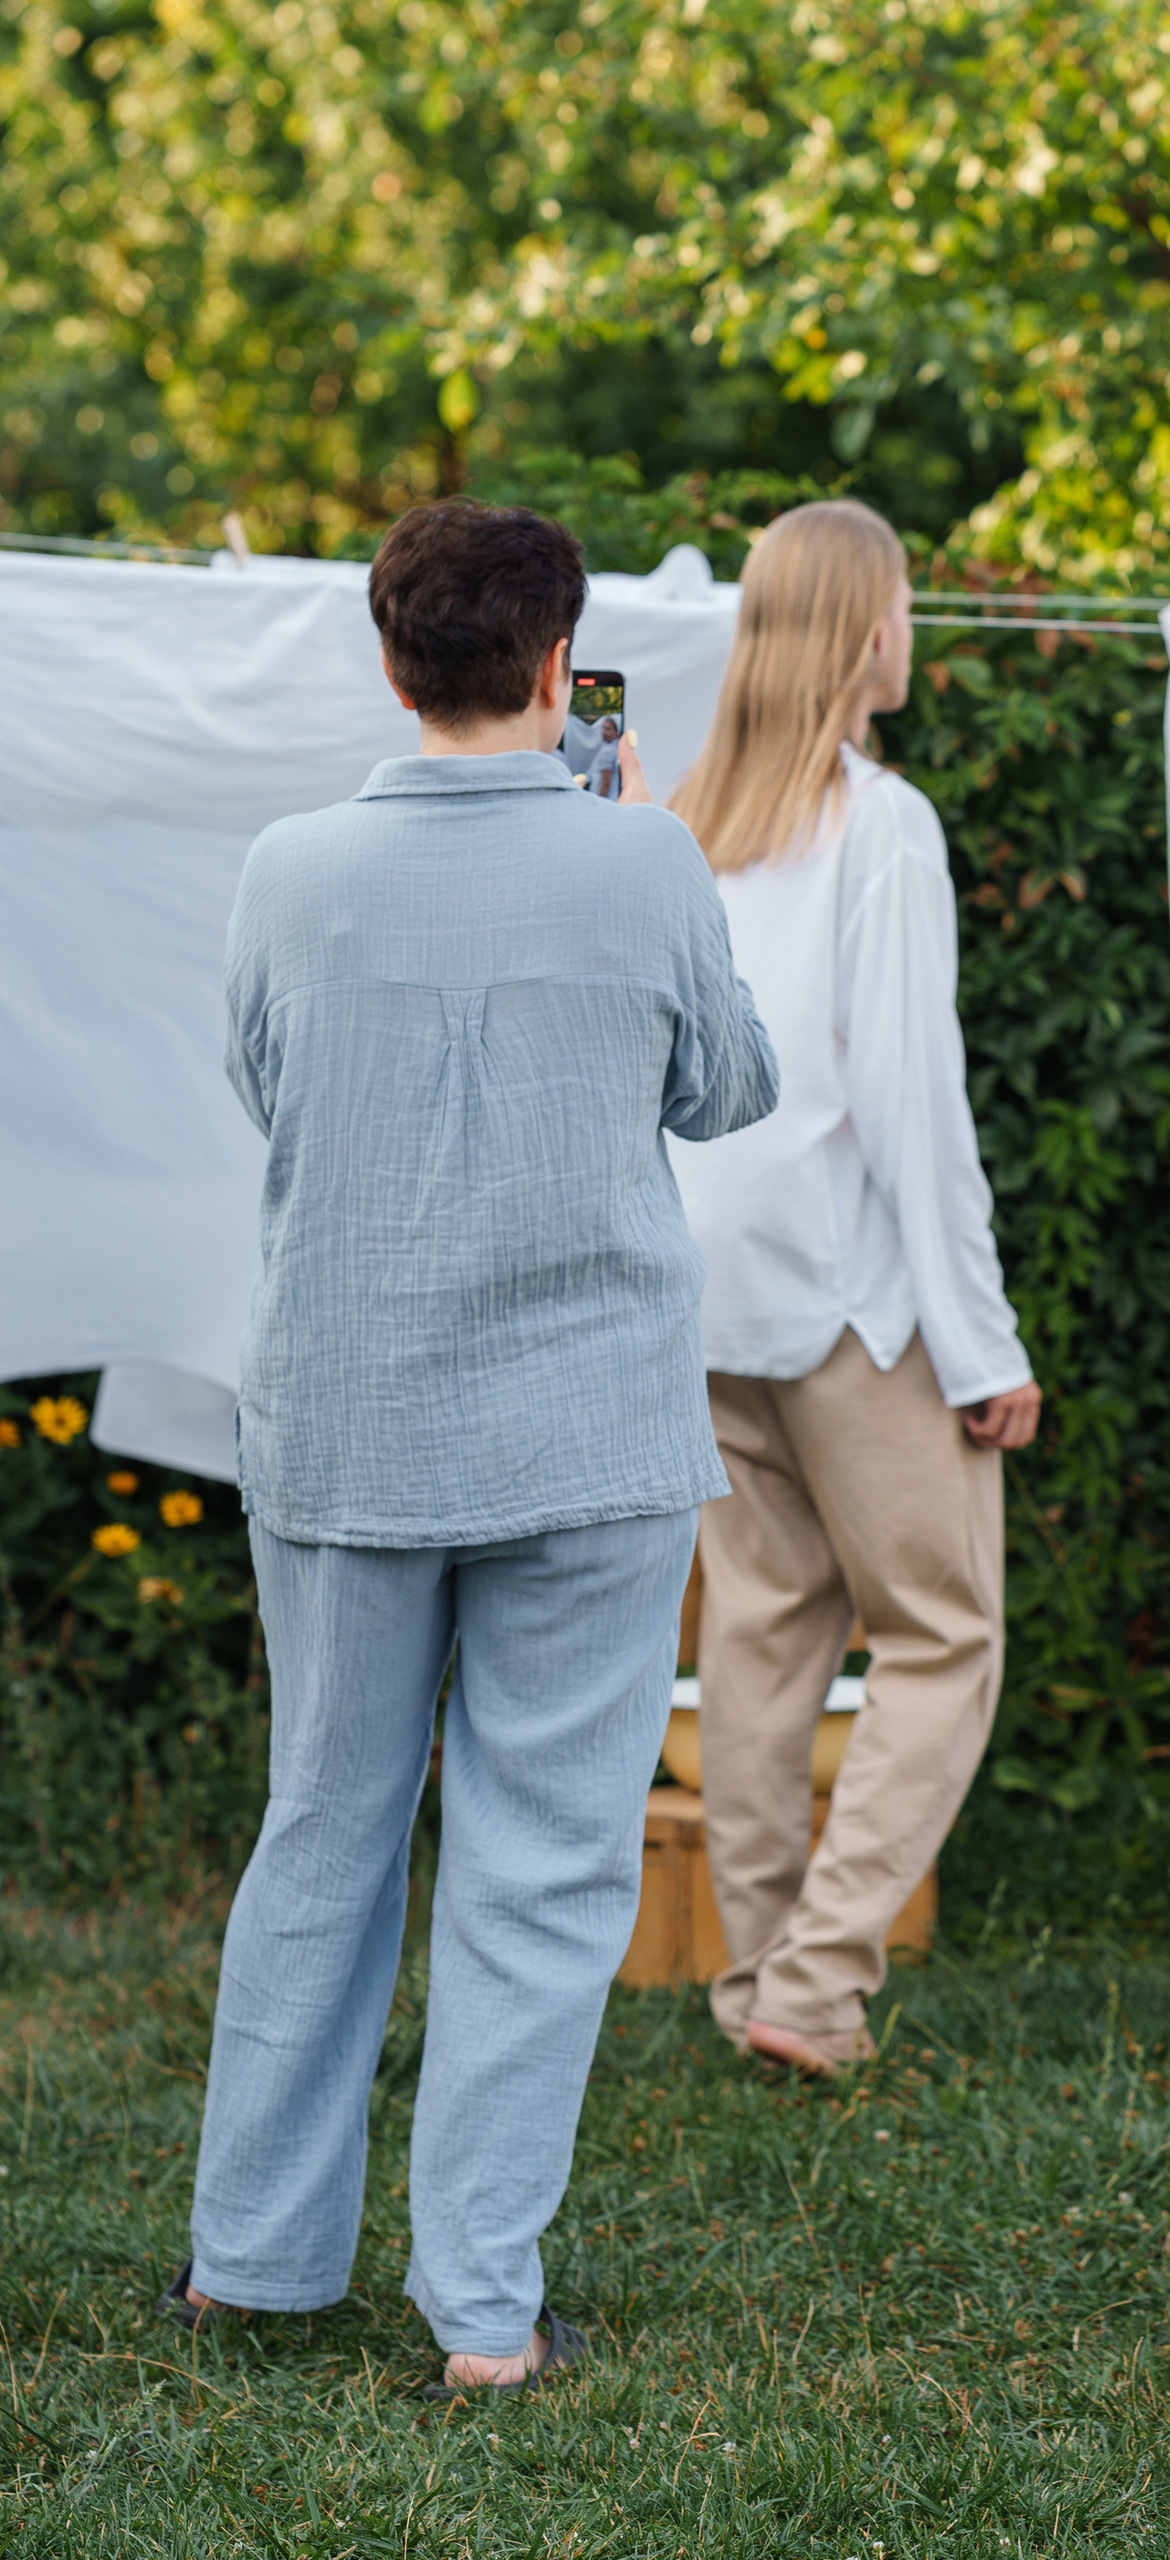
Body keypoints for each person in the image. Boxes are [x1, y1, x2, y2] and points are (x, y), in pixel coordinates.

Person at [167, 499, 779, 2393]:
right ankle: (485, 2321)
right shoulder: (649, 859)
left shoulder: (285, 868)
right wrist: (624, 844)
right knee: (544, 1870)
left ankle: (252, 2270)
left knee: (322, 1833)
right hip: (587, 1436)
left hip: (346, 1421)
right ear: (553, 664)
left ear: (386, 658)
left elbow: (264, 1085)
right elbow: (729, 1085)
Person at [666, 499, 1039, 2078]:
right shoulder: (882, 824)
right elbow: (911, 1106)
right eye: (898, 605)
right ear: (860, 631)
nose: (911, 634)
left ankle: (755, 1974)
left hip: (706, 1289)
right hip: (846, 1298)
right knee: (945, 1637)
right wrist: (983, 1342)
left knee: (759, 1636)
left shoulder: (683, 820)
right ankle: (816, 1990)